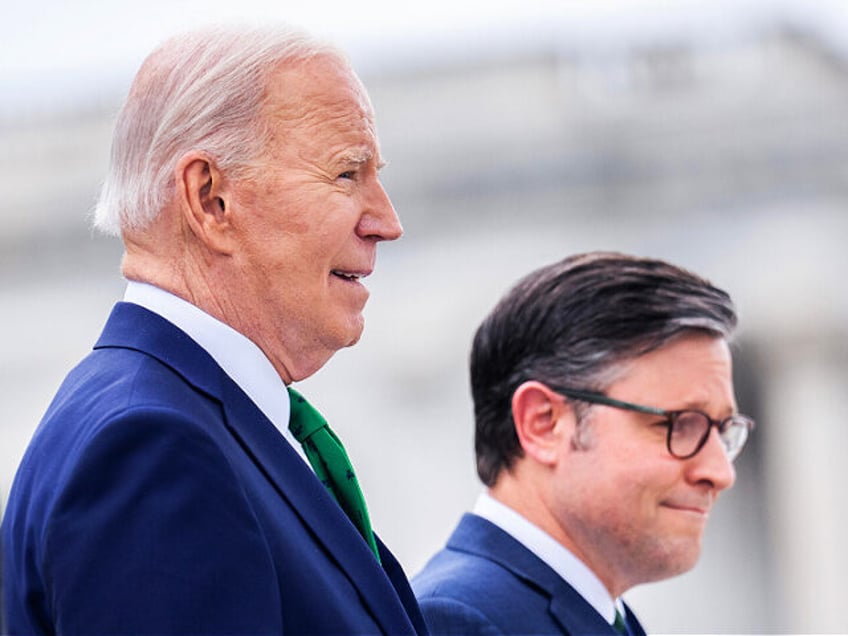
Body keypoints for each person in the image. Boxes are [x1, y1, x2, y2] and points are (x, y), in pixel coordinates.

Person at [1, 24, 427, 635]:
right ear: (209, 200)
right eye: (345, 175)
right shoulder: (152, 448)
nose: (387, 222)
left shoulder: (166, 417)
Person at [412, 251, 755, 635]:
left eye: (723, 430)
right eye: (678, 424)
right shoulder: (458, 622)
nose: (720, 472)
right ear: (544, 423)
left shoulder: (594, 611)